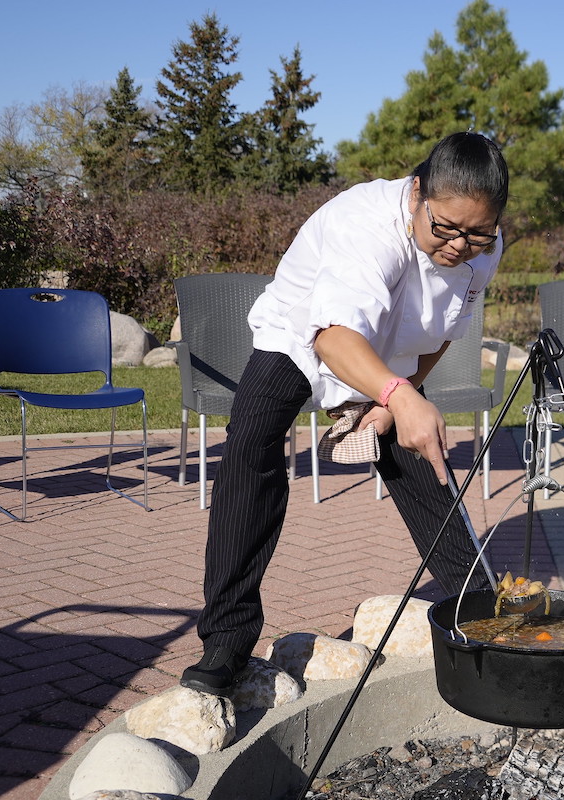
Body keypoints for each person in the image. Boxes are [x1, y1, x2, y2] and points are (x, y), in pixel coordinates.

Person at [181, 132, 508, 696]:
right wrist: (401, 397)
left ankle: (477, 611)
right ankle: (227, 640)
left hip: (387, 350)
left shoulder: (484, 246)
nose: (460, 246)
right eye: (446, 228)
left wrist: (394, 404)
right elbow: (333, 338)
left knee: (416, 454)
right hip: (303, 334)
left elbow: (441, 333)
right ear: (416, 194)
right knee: (249, 447)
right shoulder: (364, 226)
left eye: (477, 234)